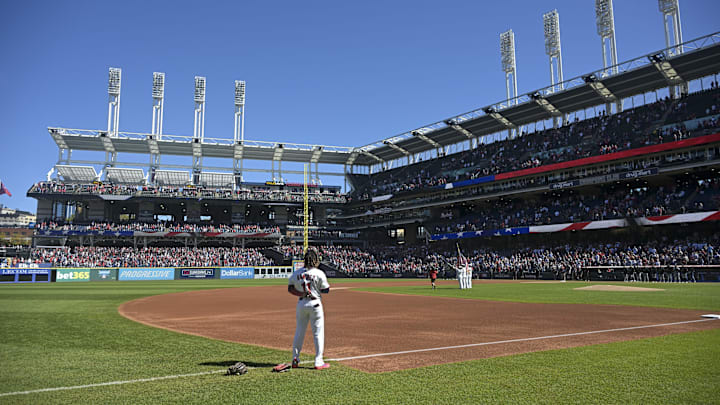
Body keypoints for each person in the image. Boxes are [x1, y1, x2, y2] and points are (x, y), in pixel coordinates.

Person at [287, 248, 331, 370]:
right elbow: (326, 289)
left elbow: (290, 288)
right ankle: (318, 361)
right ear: (316, 260)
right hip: (315, 303)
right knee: (318, 333)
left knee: (299, 331)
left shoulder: (297, 273)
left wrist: (300, 294)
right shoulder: (319, 273)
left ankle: (295, 358)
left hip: (301, 304)